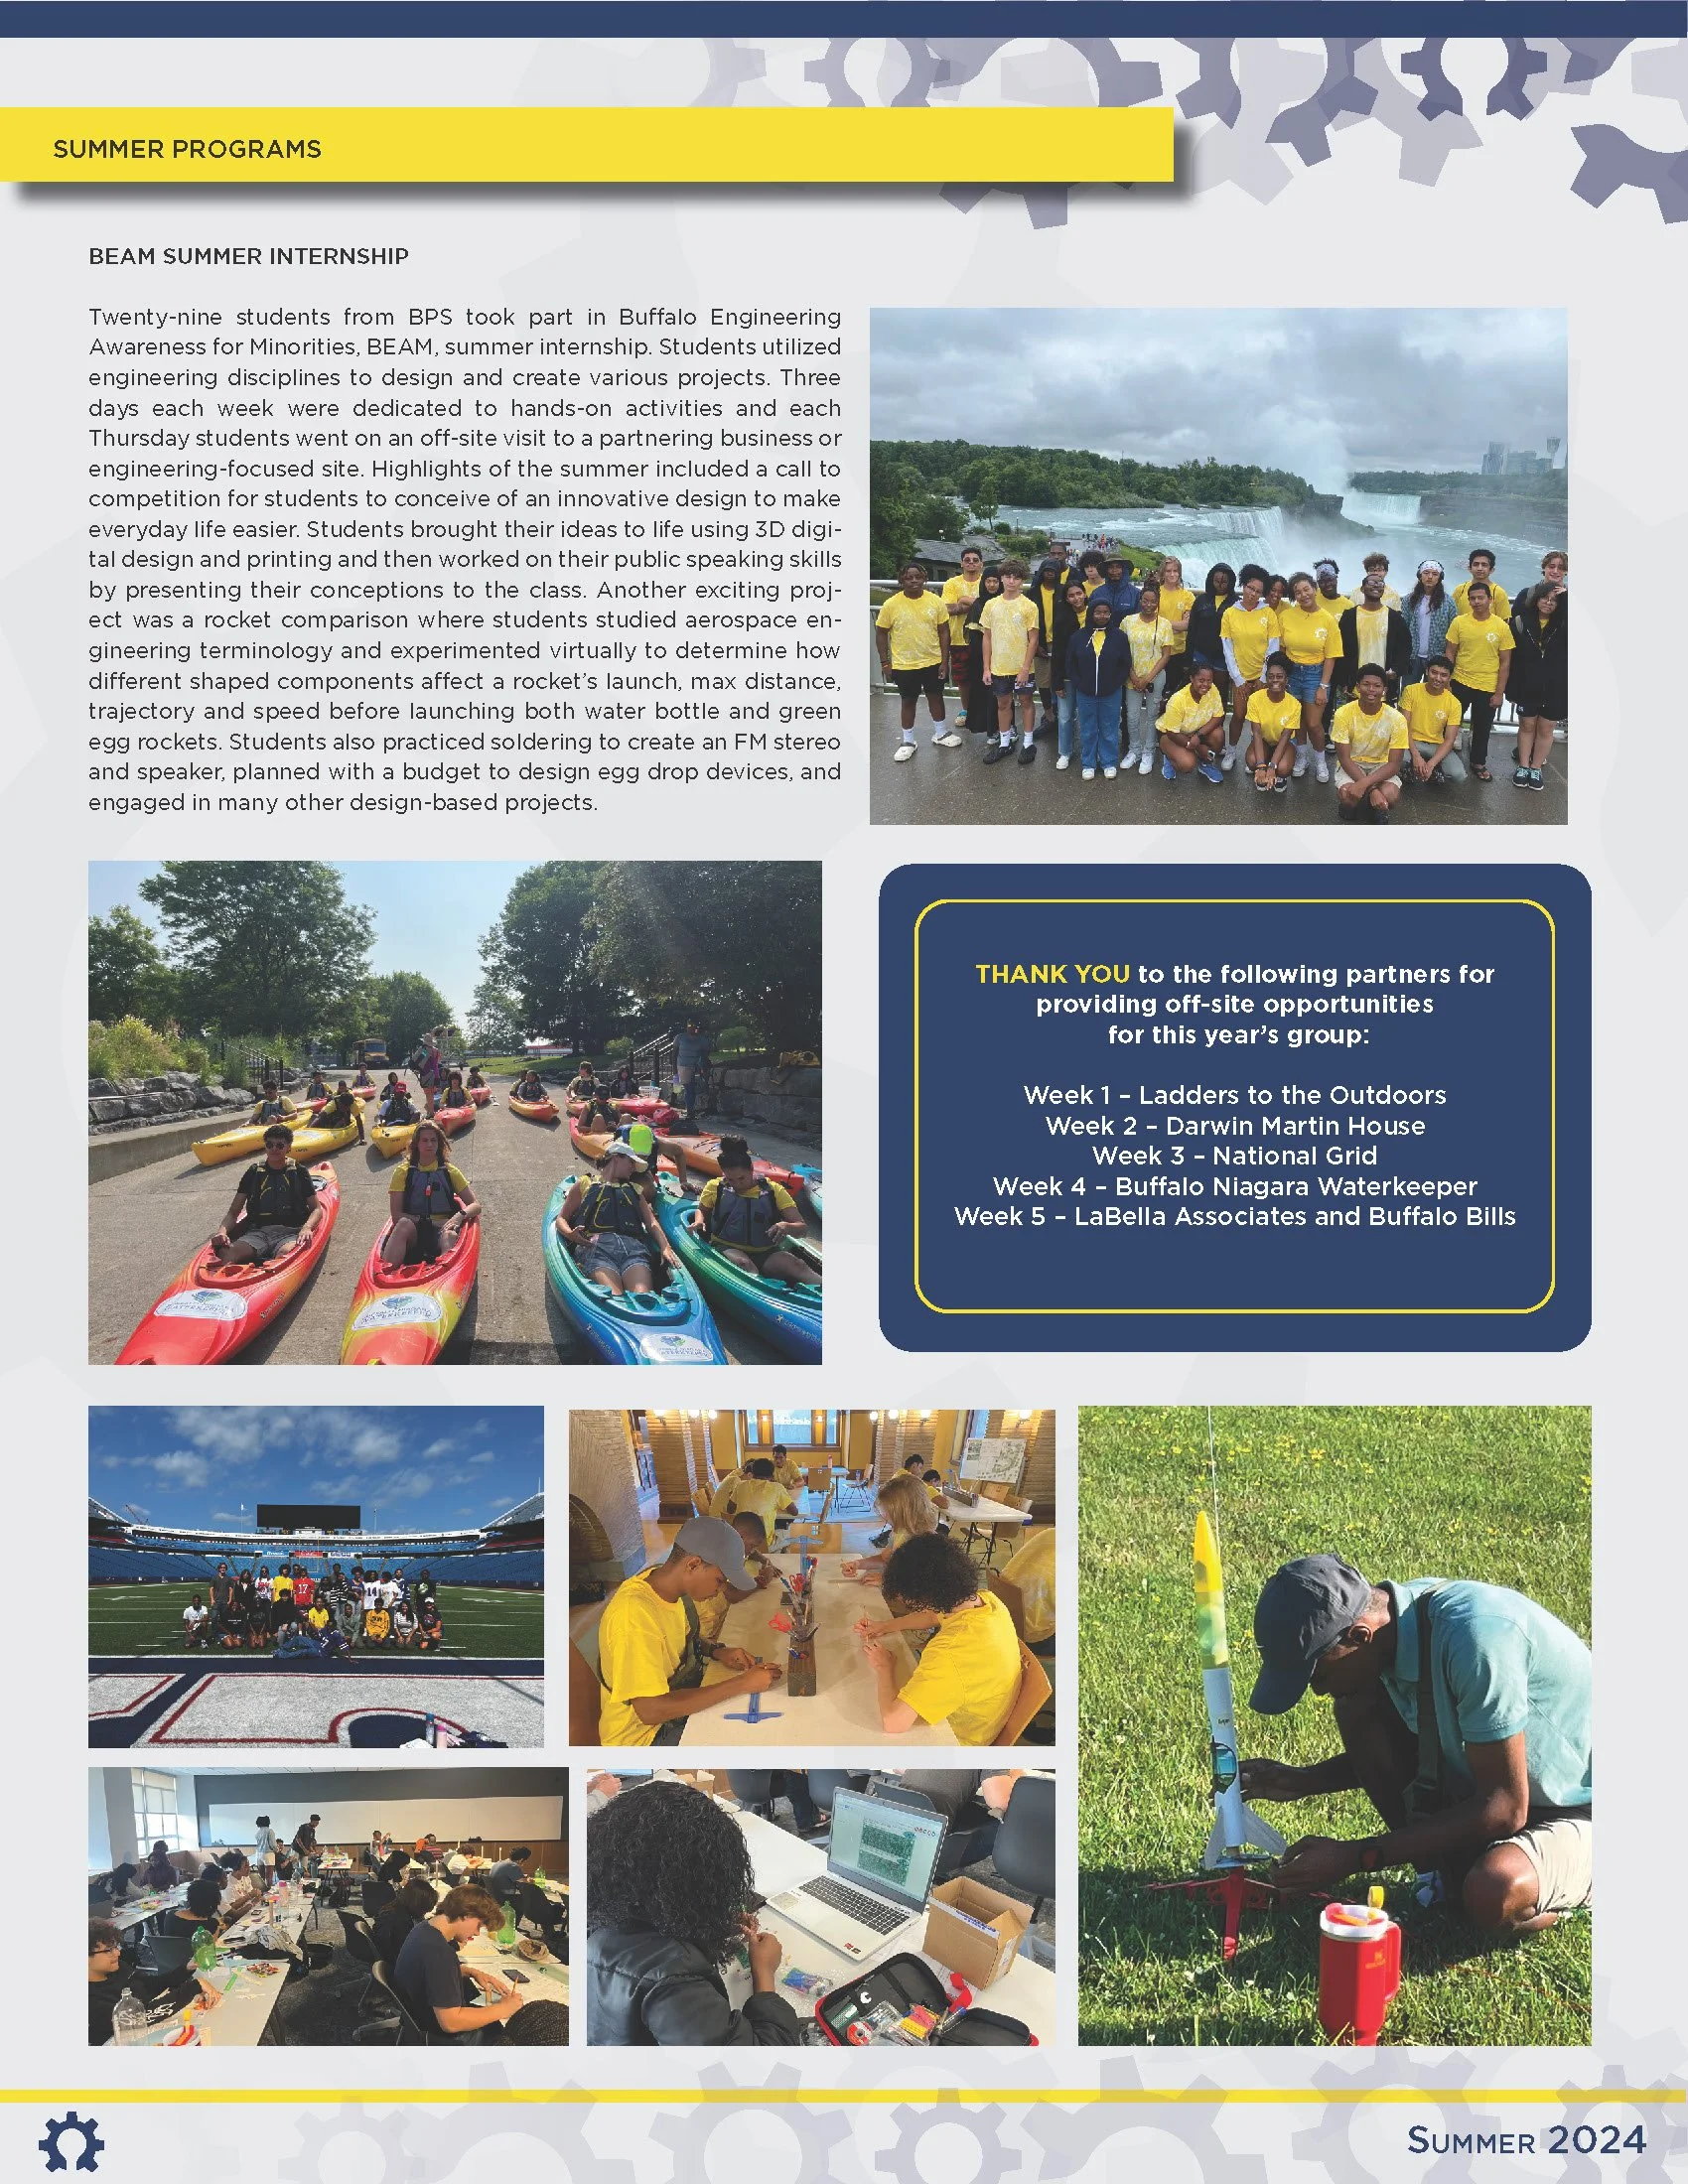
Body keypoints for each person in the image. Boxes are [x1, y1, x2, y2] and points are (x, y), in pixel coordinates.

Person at [1238, 1554, 1592, 1934]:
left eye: (1317, 1674)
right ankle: (1441, 1875)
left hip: (1578, 1806)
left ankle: (1578, 1882)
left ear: (1359, 1636)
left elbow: (1504, 1807)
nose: (1318, 1691)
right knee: (1358, 1707)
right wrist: (1303, 1780)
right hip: (1503, 1788)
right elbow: (1423, 1745)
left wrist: (1357, 1856)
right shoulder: (1398, 1625)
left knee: (1492, 1891)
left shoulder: (1478, 1640)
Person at [587, 1778, 803, 2045]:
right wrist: (764, 1972)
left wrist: (709, 1920)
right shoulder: (673, 1979)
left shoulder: (600, 1911)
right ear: (694, 1883)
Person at [594, 1516, 783, 1746]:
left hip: (668, 1710)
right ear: (693, 1564)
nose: (721, 1590)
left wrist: (717, 1651)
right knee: (749, 1741)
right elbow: (650, 1710)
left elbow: (684, 1638)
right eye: (720, 1580)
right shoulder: (634, 1615)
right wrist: (742, 1683)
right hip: (643, 1737)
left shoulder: (666, 1588)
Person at [857, 1533, 1023, 1745]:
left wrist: (883, 1666)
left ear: (923, 1598)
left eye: (908, 1601)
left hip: (957, 1740)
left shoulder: (950, 1651)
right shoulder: (984, 1601)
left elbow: (893, 1723)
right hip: (984, 1716)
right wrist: (885, 1626)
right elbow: (933, 1616)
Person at [392, 1884, 528, 2041]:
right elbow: (451, 2023)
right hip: (438, 2035)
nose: (477, 1933)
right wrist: (503, 2009)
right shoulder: (439, 1953)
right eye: (479, 1925)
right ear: (466, 1914)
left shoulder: (425, 1928)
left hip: (417, 2017)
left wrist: (471, 1972)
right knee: (516, 2033)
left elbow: (430, 1972)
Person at [554, 1140, 674, 1296]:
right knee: (614, 1298)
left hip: (633, 1250)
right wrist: (570, 1234)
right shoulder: (585, 1183)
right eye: (630, 1162)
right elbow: (561, 1219)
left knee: (644, 1297)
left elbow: (651, 1222)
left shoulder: (634, 1189)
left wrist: (665, 1247)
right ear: (616, 1157)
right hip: (596, 1249)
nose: (633, 1167)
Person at [210, 1124, 328, 1268]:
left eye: (280, 1145)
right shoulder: (253, 1172)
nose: (274, 1149)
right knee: (226, 1253)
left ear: (288, 1147)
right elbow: (233, 1213)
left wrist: (307, 1227)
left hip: (291, 1233)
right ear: (265, 1146)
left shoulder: (299, 1172)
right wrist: (222, 1233)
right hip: (258, 1233)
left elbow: (316, 1209)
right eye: (269, 1145)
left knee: (284, 1256)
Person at [876, 562, 956, 761]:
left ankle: (941, 733)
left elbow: (944, 631)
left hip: (932, 660)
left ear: (924, 579)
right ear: (901, 580)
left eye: (918, 577)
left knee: (936, 696)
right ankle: (908, 741)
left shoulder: (935, 601)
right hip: (904, 664)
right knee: (908, 700)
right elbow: (881, 633)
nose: (913, 581)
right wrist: (885, 662)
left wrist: (944, 661)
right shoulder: (891, 604)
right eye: (908, 577)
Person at [381, 1119, 480, 1268]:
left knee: (450, 1234)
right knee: (402, 1224)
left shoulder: (450, 1171)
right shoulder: (402, 1172)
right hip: (414, 1232)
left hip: (441, 1231)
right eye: (425, 1140)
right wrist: (428, 1222)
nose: (429, 1144)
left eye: (433, 1140)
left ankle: (445, 1273)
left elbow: (475, 1205)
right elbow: (396, 1215)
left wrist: (458, 1217)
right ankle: (386, 1272)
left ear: (439, 1143)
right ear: (416, 1144)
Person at [1443, 582, 1514, 782]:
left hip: (1487, 685)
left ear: (1490, 600)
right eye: (1472, 598)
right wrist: (1448, 682)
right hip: (1460, 681)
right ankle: (1442, 757)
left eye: (1480, 598)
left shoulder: (1501, 626)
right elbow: (1450, 652)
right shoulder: (1459, 622)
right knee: (1449, 723)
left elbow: (1505, 662)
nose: (1476, 602)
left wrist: (1499, 693)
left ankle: (1478, 762)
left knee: (1482, 728)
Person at [1275, 573, 1341, 781]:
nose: (1303, 595)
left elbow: (1331, 656)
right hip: (1292, 673)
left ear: (1314, 589)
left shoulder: (1327, 620)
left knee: (1313, 723)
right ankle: (1301, 758)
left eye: (1306, 589)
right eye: (1297, 592)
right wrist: (1283, 677)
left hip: (1316, 673)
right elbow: (1282, 649)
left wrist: (1323, 686)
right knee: (1298, 721)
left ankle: (1320, 762)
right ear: (1293, 596)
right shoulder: (1286, 616)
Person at [1061, 589, 1131, 780]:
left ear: (1111, 614)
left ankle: (1108, 762)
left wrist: (1115, 683)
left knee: (1109, 728)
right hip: (1085, 691)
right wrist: (1080, 683)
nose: (1102, 616)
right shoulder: (1078, 637)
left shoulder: (1119, 636)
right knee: (1088, 728)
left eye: (1106, 612)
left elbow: (1125, 663)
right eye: (1098, 612)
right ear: (1091, 613)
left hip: (1111, 691)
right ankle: (1089, 763)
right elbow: (1070, 664)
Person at [978, 557, 1041, 767]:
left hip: (1022, 667)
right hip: (999, 666)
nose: (1012, 581)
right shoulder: (991, 605)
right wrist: (986, 668)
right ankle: (1005, 743)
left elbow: (1033, 640)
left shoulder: (1029, 606)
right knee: (1002, 704)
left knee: (1026, 702)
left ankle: (1028, 743)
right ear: (1002, 578)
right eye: (1008, 576)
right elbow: (987, 637)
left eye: (1016, 577)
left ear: (1022, 580)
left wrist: (1025, 669)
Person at [1331, 664, 1410, 823]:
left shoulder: (1397, 718)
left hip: (1382, 765)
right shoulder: (1343, 714)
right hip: (1353, 763)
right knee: (1347, 795)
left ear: (1385, 690)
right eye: (1366, 684)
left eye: (1377, 686)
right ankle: (1358, 803)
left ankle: (1376, 807)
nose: (1371, 690)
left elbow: (1394, 764)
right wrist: (1373, 790)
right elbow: (1344, 758)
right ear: (1358, 687)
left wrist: (1364, 785)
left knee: (1391, 796)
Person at [1508, 580, 1566, 791]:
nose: (1548, 603)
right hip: (1527, 684)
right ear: (1536, 599)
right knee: (1527, 725)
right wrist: (1511, 689)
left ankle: (1536, 768)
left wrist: (1567, 597)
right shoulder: (1520, 622)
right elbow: (1512, 659)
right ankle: (1524, 765)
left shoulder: (1564, 625)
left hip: (1555, 686)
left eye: (1554, 600)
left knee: (1546, 728)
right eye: (1544, 598)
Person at [1220, 567, 1280, 768]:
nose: (1253, 594)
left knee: (1259, 720)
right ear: (1243, 585)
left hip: (1262, 677)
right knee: (1238, 716)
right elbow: (1228, 648)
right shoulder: (1230, 613)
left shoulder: (1268, 613)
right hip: (1240, 677)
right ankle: (1231, 752)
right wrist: (1238, 679)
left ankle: (1256, 755)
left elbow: (1273, 647)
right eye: (1250, 588)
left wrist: (1263, 677)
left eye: (1258, 591)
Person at [843, 1470, 937, 1582]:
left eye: (888, 1513)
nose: (884, 1516)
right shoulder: (899, 1530)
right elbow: (886, 1560)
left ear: (905, 1512)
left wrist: (886, 1580)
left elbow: (921, 1581)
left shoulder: (926, 1541)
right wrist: (858, 1564)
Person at [1122, 580, 1174, 774]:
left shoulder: (1165, 624)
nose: (1149, 604)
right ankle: (1134, 750)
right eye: (1145, 600)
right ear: (1140, 600)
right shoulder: (1128, 621)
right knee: (1132, 715)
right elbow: (1122, 651)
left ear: (1158, 602)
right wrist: (1134, 676)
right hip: (1132, 677)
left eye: (1153, 601)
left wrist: (1148, 678)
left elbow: (1166, 655)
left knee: (1152, 715)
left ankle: (1148, 751)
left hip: (1155, 677)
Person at [1336, 571, 1410, 704]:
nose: (1376, 585)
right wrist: (1344, 681)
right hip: (1356, 685)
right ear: (1362, 589)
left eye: (1380, 583)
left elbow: (1404, 648)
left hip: (1384, 685)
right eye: (1371, 583)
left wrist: (1396, 670)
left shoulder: (1395, 618)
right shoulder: (1349, 616)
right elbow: (1340, 649)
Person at [1399, 656, 1468, 787]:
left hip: (1436, 744)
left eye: (1443, 675)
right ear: (1427, 671)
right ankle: (1410, 769)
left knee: (1458, 775)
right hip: (1410, 741)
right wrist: (1416, 756)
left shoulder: (1454, 703)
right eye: (1434, 672)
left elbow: (1449, 740)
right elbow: (1404, 727)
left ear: (1449, 678)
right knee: (1397, 759)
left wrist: (1431, 764)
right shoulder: (1411, 690)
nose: (1437, 678)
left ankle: (1433, 770)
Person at [1157, 659, 1227, 784]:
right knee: (1187, 764)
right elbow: (1172, 733)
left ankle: (1205, 764)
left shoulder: (1213, 690)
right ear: (1192, 679)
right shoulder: (1178, 699)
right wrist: (1195, 745)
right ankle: (1169, 757)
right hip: (1171, 735)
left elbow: (1218, 716)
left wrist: (1198, 736)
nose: (1206, 684)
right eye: (1201, 680)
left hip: (1196, 731)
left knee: (1219, 735)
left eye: (1209, 680)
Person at [939, 545, 985, 730]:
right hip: (958, 638)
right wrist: (976, 606)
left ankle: (985, 710)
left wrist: (963, 600)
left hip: (985, 638)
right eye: (967, 560)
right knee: (962, 678)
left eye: (975, 560)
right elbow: (947, 609)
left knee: (985, 675)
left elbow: (990, 606)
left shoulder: (987, 581)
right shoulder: (952, 583)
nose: (971, 563)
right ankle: (966, 710)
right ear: (961, 563)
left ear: (981, 563)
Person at [1050, 575, 1091, 770]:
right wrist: (1056, 681)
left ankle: (1088, 751)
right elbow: (1058, 651)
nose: (1076, 598)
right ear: (1066, 599)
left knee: (1087, 716)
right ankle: (1065, 752)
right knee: (1065, 716)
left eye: (1079, 593)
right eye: (1071, 596)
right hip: (1067, 674)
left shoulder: (1095, 613)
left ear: (1085, 593)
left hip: (1089, 675)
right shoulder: (1061, 619)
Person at [1185, 562, 1236, 709]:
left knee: (1220, 694)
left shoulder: (1235, 603)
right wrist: (1187, 661)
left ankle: (1218, 721)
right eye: (1217, 581)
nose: (1220, 585)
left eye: (1224, 582)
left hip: (1223, 656)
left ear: (1230, 582)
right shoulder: (1201, 601)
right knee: (1198, 691)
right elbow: (1192, 630)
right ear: (1211, 580)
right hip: (1201, 653)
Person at [1401, 558, 1458, 688]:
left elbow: (1453, 631)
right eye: (1426, 573)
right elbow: (1404, 628)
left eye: (1435, 574)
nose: (1430, 577)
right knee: (1408, 691)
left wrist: (1448, 657)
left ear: (1440, 577)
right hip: (1412, 656)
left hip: (1437, 658)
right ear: (1420, 575)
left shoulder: (1448, 602)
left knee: (1433, 694)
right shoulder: (1409, 600)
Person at [717, 1456, 795, 1537]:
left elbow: (730, 1510)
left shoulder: (740, 1485)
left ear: (753, 1473)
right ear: (772, 1475)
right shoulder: (777, 1488)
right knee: (787, 1530)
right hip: (764, 1541)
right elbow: (794, 1512)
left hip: (740, 1539)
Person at [371, 1875, 436, 1972]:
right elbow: (411, 1952)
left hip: (391, 1960)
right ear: (417, 1905)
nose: (423, 1914)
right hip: (399, 1968)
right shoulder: (401, 1921)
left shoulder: (394, 1908)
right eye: (424, 1910)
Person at [1156, 555, 1196, 694]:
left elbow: (1187, 625)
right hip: (1157, 651)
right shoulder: (1156, 594)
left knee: (1174, 693)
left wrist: (1164, 623)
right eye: (1168, 571)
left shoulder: (1187, 596)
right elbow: (1153, 624)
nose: (1172, 574)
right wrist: (1176, 626)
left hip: (1179, 651)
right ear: (1163, 573)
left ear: (1179, 573)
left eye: (1175, 570)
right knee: (1158, 692)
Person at [1454, 547, 1511, 621]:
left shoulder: (1499, 593)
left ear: (1491, 570)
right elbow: (1452, 616)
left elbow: (1504, 621)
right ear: (1469, 568)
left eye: (1484, 565)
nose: (1479, 568)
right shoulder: (1460, 590)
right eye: (1476, 564)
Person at [1095, 553, 1140, 621]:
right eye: (1111, 567)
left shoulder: (1136, 593)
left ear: (1124, 569)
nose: (1114, 570)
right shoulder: (1097, 593)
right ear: (1106, 570)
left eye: (1118, 567)